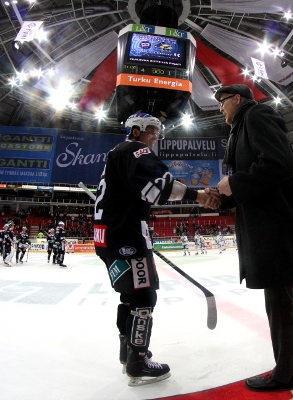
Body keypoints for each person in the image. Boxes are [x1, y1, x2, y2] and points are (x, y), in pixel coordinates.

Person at [215, 84, 293, 392]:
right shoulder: (240, 128)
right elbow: (252, 180)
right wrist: (223, 196)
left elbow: (277, 163)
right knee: (285, 292)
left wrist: (234, 184)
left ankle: (284, 374)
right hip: (266, 225)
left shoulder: (257, 115)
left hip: (274, 226)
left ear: (237, 99)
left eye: (223, 102)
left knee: (278, 297)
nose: (220, 108)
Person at [93, 112, 221, 386]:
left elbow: (142, 192)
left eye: (156, 131)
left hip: (107, 237)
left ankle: (128, 351)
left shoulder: (116, 153)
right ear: (136, 131)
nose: (155, 136)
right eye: (151, 130)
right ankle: (138, 362)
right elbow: (159, 187)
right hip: (127, 235)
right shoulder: (135, 149)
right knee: (144, 297)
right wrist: (198, 195)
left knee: (129, 295)